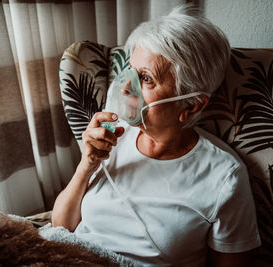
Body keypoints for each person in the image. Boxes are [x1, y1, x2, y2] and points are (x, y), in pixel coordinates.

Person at [52, 4, 261, 266]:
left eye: (146, 78)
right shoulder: (111, 136)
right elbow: (61, 226)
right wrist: (87, 164)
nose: (126, 85)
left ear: (191, 105)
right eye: (129, 69)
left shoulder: (224, 177)